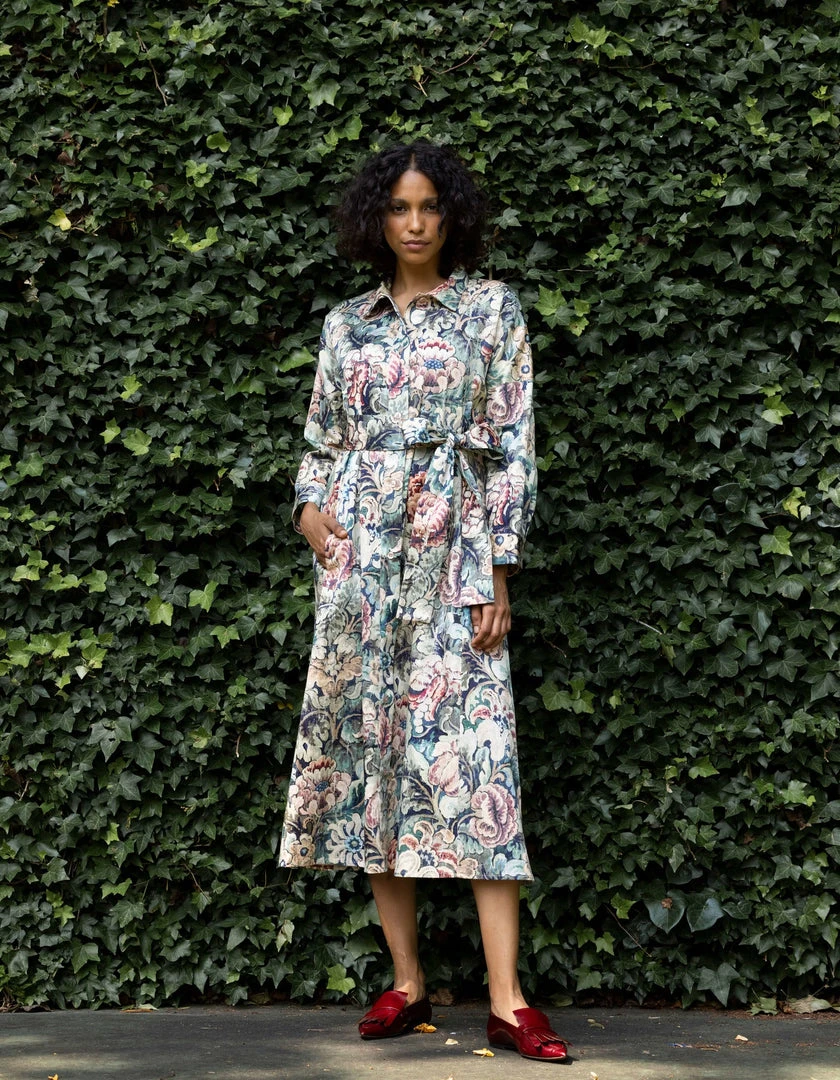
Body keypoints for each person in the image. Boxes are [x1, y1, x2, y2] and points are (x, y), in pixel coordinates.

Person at [278, 142, 569, 1063]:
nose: (414, 223)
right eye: (399, 207)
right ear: (377, 217)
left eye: (430, 206)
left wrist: (498, 569)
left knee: (480, 758)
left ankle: (508, 1000)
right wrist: (310, 512)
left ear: (452, 217)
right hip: (359, 560)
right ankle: (407, 981)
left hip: (456, 552)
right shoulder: (346, 324)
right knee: (372, 760)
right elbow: (321, 441)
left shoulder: (491, 311)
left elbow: (514, 445)